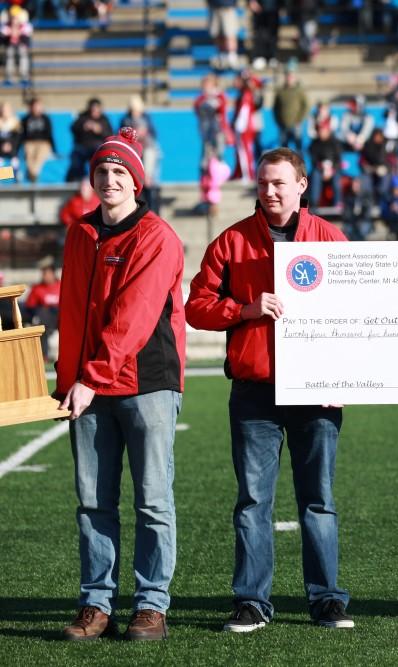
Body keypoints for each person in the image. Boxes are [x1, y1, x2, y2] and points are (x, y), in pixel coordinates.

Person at [185, 148, 354, 632]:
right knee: (253, 501)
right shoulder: (232, 241)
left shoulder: (329, 238)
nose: (269, 191)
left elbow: (358, 317)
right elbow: (196, 306)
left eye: (279, 183)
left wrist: (344, 376)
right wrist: (244, 308)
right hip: (254, 391)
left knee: (317, 499)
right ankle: (252, 602)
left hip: (316, 392)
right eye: (262, 183)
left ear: (302, 185)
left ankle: (326, 600)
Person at [56, 127, 186, 642]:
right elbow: (70, 311)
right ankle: (97, 603)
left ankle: (152, 604)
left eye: (119, 173)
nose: (109, 180)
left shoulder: (156, 236)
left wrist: (88, 378)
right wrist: (70, 380)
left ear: (137, 181)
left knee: (152, 499)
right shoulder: (80, 233)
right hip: (88, 387)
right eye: (102, 172)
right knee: (93, 501)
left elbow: (132, 320)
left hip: (146, 383)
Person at [66, 98, 112, 182]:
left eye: (96, 109)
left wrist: (100, 130)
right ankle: (76, 181)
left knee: (101, 157)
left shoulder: (104, 120)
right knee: (76, 158)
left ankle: (101, 179)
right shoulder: (83, 117)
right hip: (82, 146)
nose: (94, 112)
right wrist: (84, 126)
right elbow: (73, 128)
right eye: (93, 109)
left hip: (98, 147)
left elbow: (110, 135)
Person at [24, 261, 59, 361]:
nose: (45, 276)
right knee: (41, 323)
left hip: (60, 316)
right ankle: (44, 355)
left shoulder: (61, 285)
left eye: (47, 273)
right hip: (45, 318)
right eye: (43, 274)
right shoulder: (37, 289)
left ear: (53, 273)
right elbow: (30, 307)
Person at [273, 66, 309, 152]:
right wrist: (279, 121)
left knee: (298, 149)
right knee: (283, 151)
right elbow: (275, 108)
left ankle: (300, 165)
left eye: (291, 76)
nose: (289, 78)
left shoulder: (299, 91)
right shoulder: (280, 91)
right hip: (283, 125)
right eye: (287, 76)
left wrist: (299, 120)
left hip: (296, 125)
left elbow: (306, 106)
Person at [20, 96, 54, 183]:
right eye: (34, 106)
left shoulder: (46, 119)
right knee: (28, 154)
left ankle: (32, 173)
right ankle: (34, 174)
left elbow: (49, 135)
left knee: (40, 155)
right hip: (29, 143)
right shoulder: (25, 119)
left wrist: (54, 150)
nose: (36, 108)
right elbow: (22, 136)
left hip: (43, 143)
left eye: (38, 106)